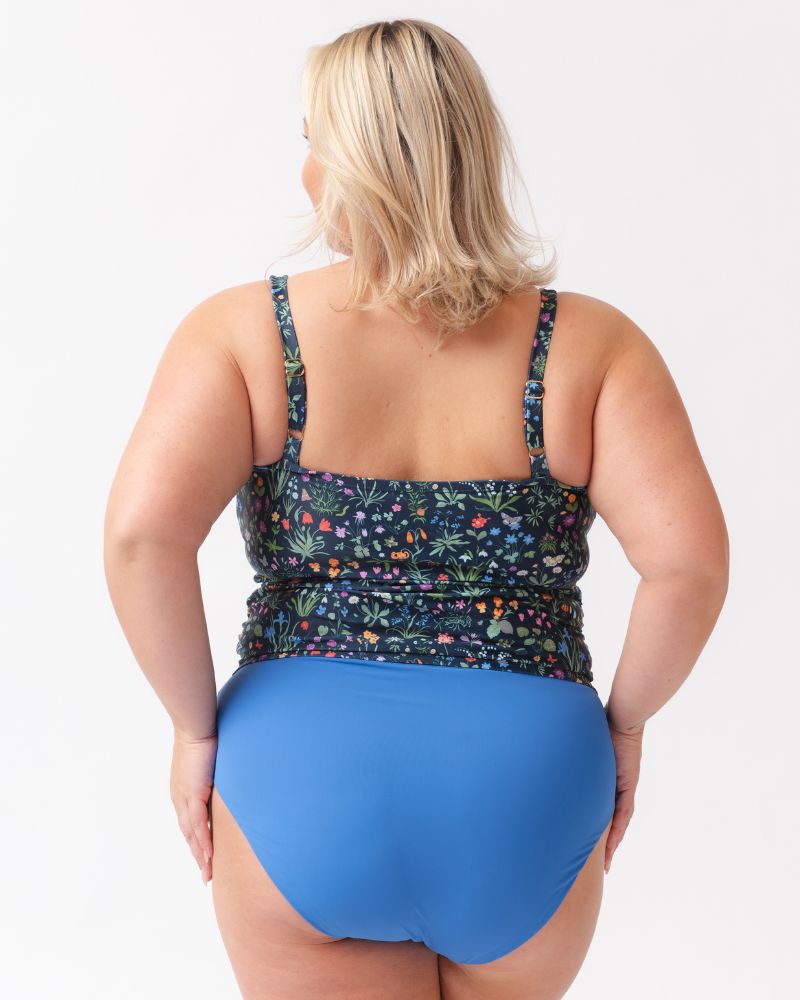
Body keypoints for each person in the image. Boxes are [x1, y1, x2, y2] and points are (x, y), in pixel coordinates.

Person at [104, 17, 729, 1000]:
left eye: (313, 140)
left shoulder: (244, 335)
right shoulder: (591, 347)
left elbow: (144, 536)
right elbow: (687, 566)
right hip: (524, 780)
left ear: (352, 164)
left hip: (302, 780)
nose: (306, 168)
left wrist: (192, 731)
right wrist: (625, 724)